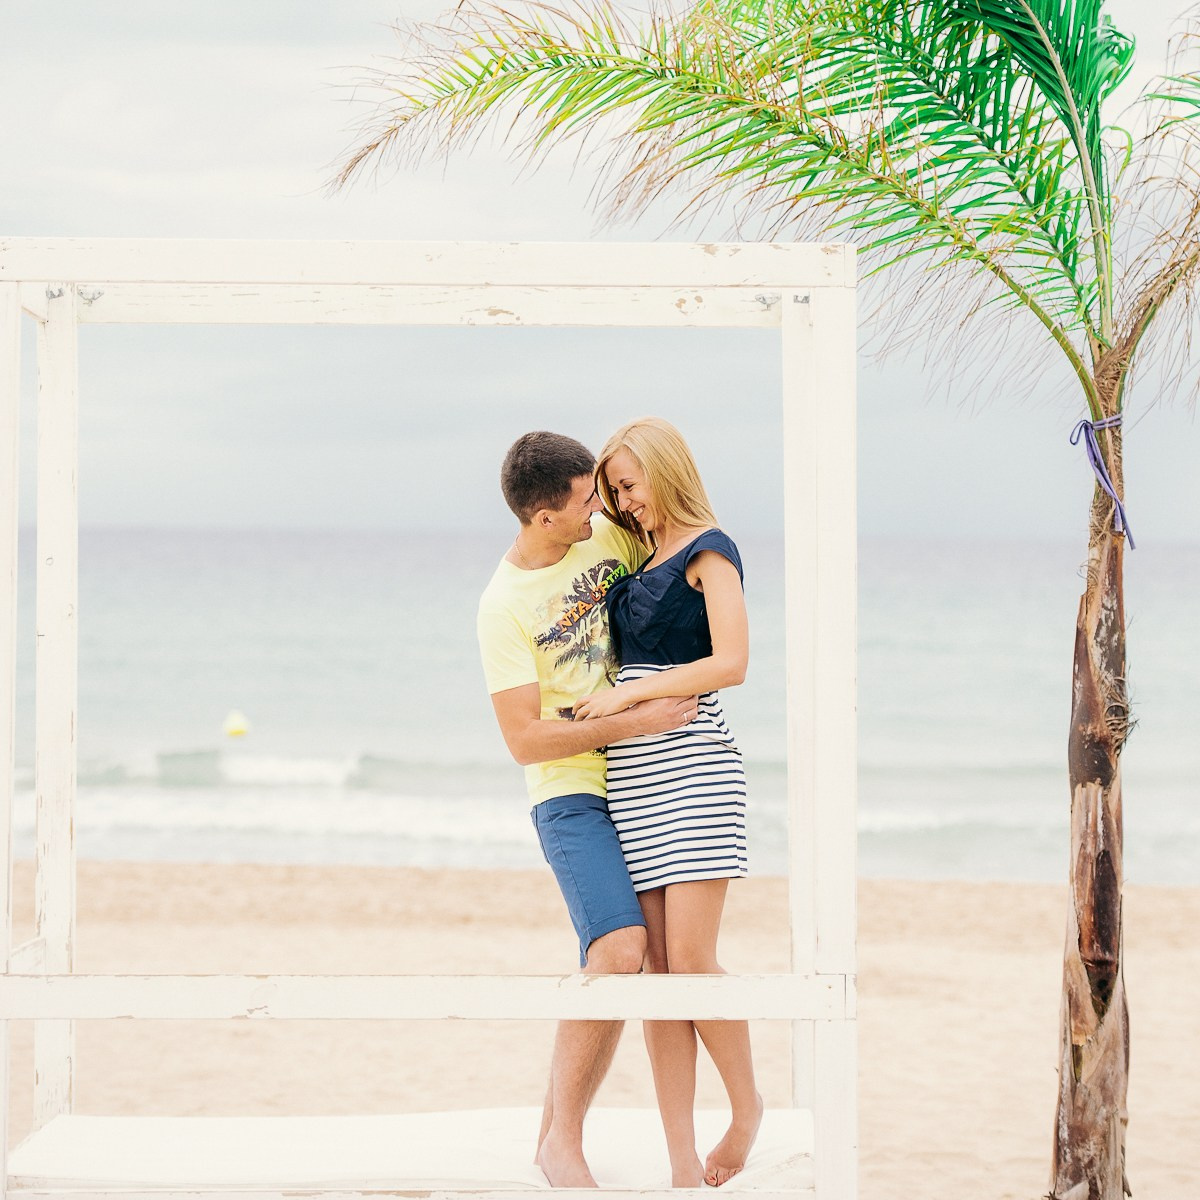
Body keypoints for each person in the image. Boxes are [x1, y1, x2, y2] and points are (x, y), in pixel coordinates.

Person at [476, 431, 698, 1189]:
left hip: (647, 775)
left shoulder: (607, 536)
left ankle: (553, 1139)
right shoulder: (502, 606)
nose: (599, 510)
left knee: (641, 955)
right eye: (582, 501)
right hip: (571, 794)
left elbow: (678, 546)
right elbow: (525, 740)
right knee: (617, 948)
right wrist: (631, 720)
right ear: (543, 516)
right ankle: (563, 1143)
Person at [575, 417, 761, 1188]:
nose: (624, 500)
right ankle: (682, 1162)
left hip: (693, 765)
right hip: (636, 777)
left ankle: (746, 1112)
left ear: (664, 468)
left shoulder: (709, 548)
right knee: (656, 971)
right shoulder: (636, 553)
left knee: (691, 960)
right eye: (613, 490)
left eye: (629, 483)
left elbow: (734, 662)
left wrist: (638, 690)